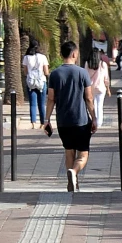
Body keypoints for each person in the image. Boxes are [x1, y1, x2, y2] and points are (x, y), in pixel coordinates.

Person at [44, 39, 95, 191]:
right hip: (81, 120)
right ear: (74, 53)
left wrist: (47, 120)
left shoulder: (54, 74)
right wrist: (95, 117)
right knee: (83, 154)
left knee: (69, 151)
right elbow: (89, 98)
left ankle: (73, 184)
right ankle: (74, 172)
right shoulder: (82, 73)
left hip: (63, 121)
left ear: (62, 54)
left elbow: (51, 99)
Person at [22, 40, 49, 126]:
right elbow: (46, 72)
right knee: (41, 104)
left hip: (31, 82)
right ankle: (42, 123)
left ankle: (33, 123)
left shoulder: (26, 58)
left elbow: (25, 72)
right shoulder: (43, 57)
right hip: (41, 82)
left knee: (33, 104)